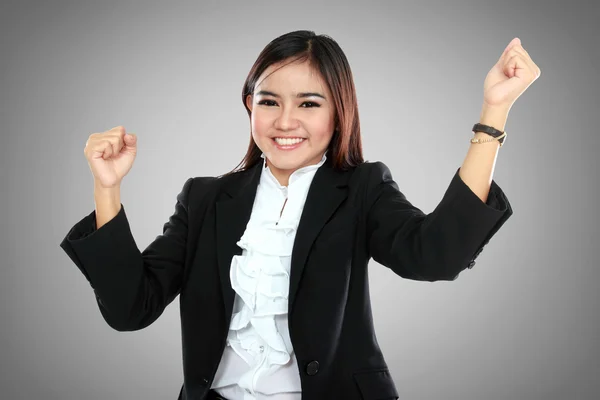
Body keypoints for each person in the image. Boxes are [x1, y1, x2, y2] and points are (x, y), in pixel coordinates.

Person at [59, 30, 540, 400]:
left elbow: (435, 256)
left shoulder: (363, 188)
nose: (285, 121)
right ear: (250, 106)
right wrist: (108, 186)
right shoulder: (205, 199)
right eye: (269, 102)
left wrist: (492, 113)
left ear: (339, 112)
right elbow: (131, 308)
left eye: (309, 103)